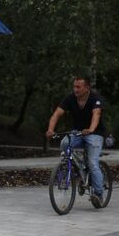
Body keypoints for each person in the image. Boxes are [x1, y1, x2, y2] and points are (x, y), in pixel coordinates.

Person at [45, 76, 106, 207]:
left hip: (94, 134)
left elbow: (96, 114)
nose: (75, 89)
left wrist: (91, 129)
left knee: (93, 163)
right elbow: (56, 114)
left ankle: (98, 194)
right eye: (74, 86)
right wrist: (50, 130)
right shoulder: (70, 98)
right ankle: (75, 166)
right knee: (64, 143)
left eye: (78, 87)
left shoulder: (95, 99)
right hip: (77, 133)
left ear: (86, 88)